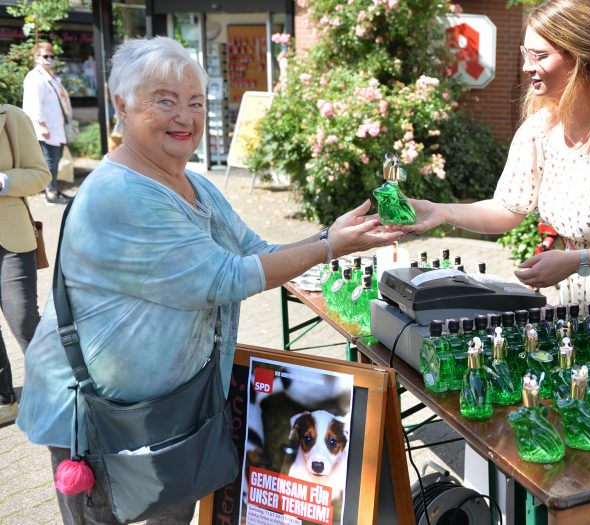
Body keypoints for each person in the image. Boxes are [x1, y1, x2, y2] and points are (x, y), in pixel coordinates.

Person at [16, 36, 403, 524]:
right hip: (102, 422)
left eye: (195, 103)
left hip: (171, 414)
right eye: (165, 101)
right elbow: (226, 278)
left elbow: (258, 252)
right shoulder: (120, 194)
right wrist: (329, 248)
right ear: (121, 105)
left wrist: (330, 234)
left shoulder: (193, 182)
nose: (185, 117)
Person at [401, 0, 590, 372]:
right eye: (526, 53)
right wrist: (442, 211)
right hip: (579, 307)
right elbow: (508, 208)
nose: (526, 67)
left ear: (581, 59)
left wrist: (578, 260)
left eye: (539, 55)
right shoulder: (541, 128)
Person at [0, 104, 51, 426]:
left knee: (23, 317)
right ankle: (6, 400)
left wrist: (3, 180)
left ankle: (56, 387)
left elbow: (40, 174)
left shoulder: (10, 118)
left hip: (11, 238)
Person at [22, 41, 72, 205]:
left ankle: (55, 189)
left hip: (57, 127)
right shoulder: (35, 77)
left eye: (52, 55)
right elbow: (32, 103)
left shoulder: (53, 78)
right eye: (45, 56)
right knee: (49, 161)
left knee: (56, 160)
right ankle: (50, 194)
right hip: (45, 128)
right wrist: (41, 124)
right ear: (36, 57)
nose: (49, 59)